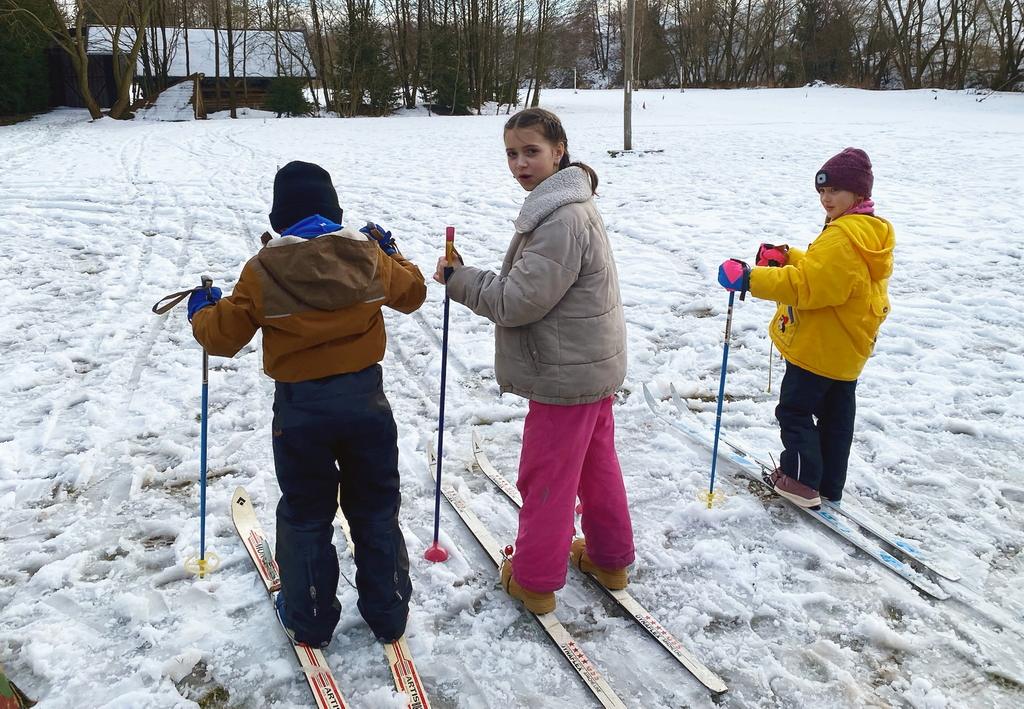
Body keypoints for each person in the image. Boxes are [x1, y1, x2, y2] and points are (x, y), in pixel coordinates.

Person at [189, 161, 427, 646]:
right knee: (376, 506)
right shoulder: (368, 255)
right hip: (366, 403)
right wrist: (391, 251)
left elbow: (222, 337)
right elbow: (413, 294)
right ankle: (389, 612)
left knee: (306, 512)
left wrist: (203, 310)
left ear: (279, 218)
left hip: (301, 412)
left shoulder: (262, 270)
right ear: (334, 211)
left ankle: (310, 618)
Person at [433, 108, 634, 614]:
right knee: (595, 465)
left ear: (558, 151)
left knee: (547, 477)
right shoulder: (566, 204)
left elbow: (518, 301)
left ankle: (535, 581)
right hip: (588, 364)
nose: (520, 163)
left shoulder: (560, 218)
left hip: (565, 373)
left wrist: (460, 280)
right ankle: (609, 558)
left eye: (531, 151)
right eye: (511, 153)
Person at [718, 147, 896, 508]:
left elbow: (807, 287)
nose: (826, 199)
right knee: (835, 419)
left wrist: (751, 279)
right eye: (822, 191)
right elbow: (831, 274)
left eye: (835, 191)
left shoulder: (842, 236)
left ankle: (799, 480)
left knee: (795, 412)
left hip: (819, 346)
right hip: (846, 347)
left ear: (859, 192)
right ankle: (827, 484)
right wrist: (790, 257)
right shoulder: (867, 230)